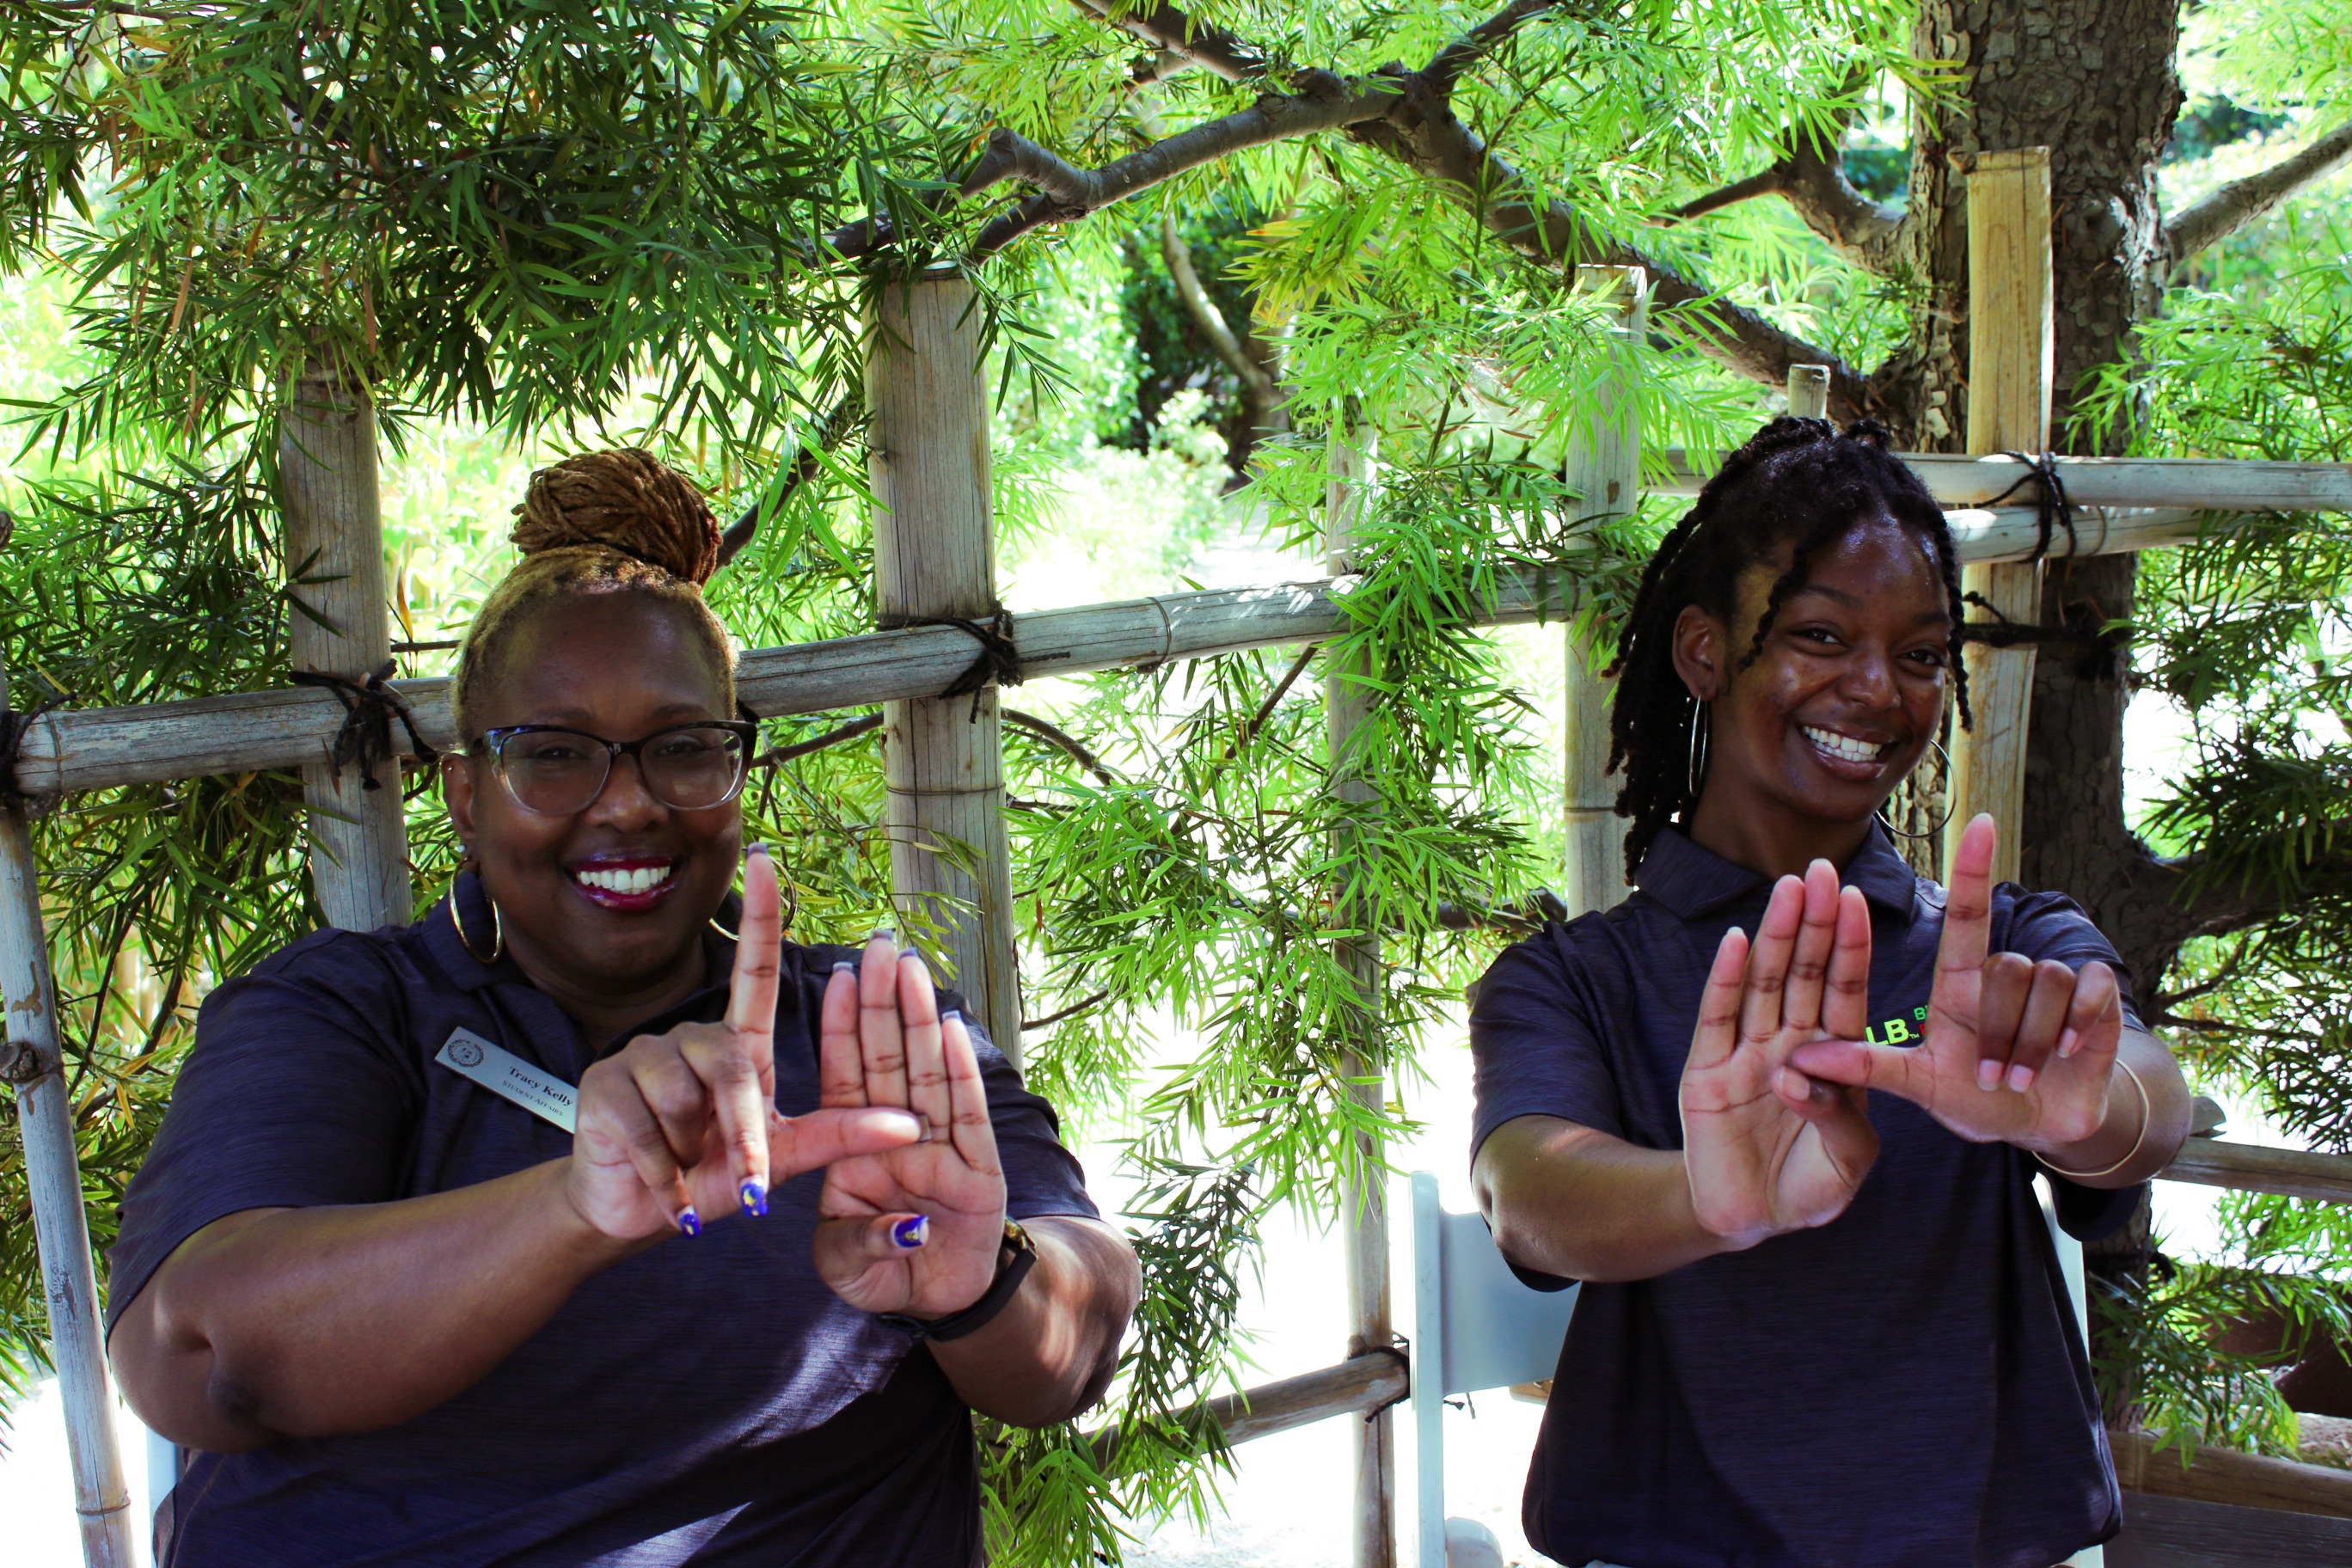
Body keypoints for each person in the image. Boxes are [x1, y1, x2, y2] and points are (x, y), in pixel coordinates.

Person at [107, 450, 1140, 1566]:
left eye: (684, 749)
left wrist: (978, 1285)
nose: (631, 803)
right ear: (464, 792)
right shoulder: (343, 1015)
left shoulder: (860, 1030)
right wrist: (573, 1213)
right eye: (554, 756)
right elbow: (200, 1360)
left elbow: (1071, 1346)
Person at [1470, 418, 2193, 1567]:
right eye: (1820, 635)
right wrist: (1715, 1197)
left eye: (1919, 654)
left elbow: (2149, 1104)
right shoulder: (1575, 979)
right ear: (1703, 652)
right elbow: (1529, 1199)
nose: (1877, 690)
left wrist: (2089, 1115)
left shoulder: (2005, 943)